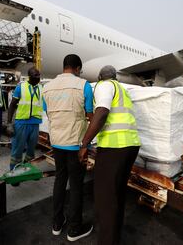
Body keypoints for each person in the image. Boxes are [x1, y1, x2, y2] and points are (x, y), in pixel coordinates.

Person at [79, 65, 140, 245]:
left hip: (115, 148)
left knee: (105, 200)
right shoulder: (122, 90)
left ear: (99, 77)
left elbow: (102, 112)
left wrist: (85, 143)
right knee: (116, 196)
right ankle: (114, 238)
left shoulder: (105, 86)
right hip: (130, 145)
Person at [42, 54, 94, 242]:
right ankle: (74, 229)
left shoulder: (46, 87)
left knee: (60, 180)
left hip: (57, 142)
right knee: (76, 185)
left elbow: (48, 112)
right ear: (78, 68)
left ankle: (57, 223)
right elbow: (90, 115)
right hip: (75, 144)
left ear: (64, 66)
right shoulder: (83, 86)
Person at [7, 67, 42, 169]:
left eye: (39, 75)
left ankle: (29, 169)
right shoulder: (21, 87)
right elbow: (12, 105)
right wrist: (9, 123)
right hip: (22, 122)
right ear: (29, 77)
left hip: (35, 123)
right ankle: (14, 172)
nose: (38, 77)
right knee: (18, 148)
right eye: (36, 75)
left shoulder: (41, 88)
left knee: (31, 149)